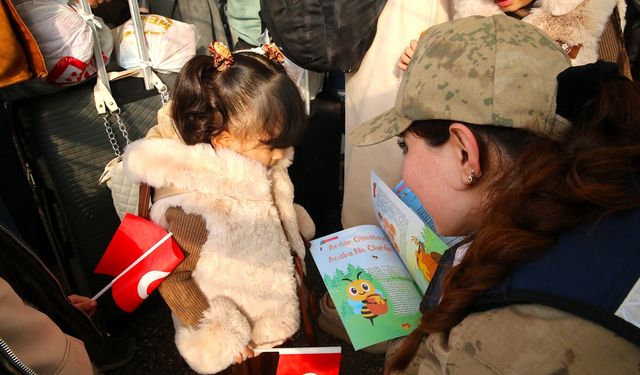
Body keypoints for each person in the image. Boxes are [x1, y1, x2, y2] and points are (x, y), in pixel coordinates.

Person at [350, 15, 640, 374]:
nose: (405, 170)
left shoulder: (497, 343)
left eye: (405, 146)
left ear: (465, 154)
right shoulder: (608, 183)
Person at [122, 42, 315, 374]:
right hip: (239, 343)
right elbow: (171, 277)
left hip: (271, 314)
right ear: (224, 139)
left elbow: (265, 214)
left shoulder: (255, 166)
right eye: (273, 147)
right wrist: (217, 331)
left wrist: (291, 222)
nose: (283, 156)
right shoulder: (199, 205)